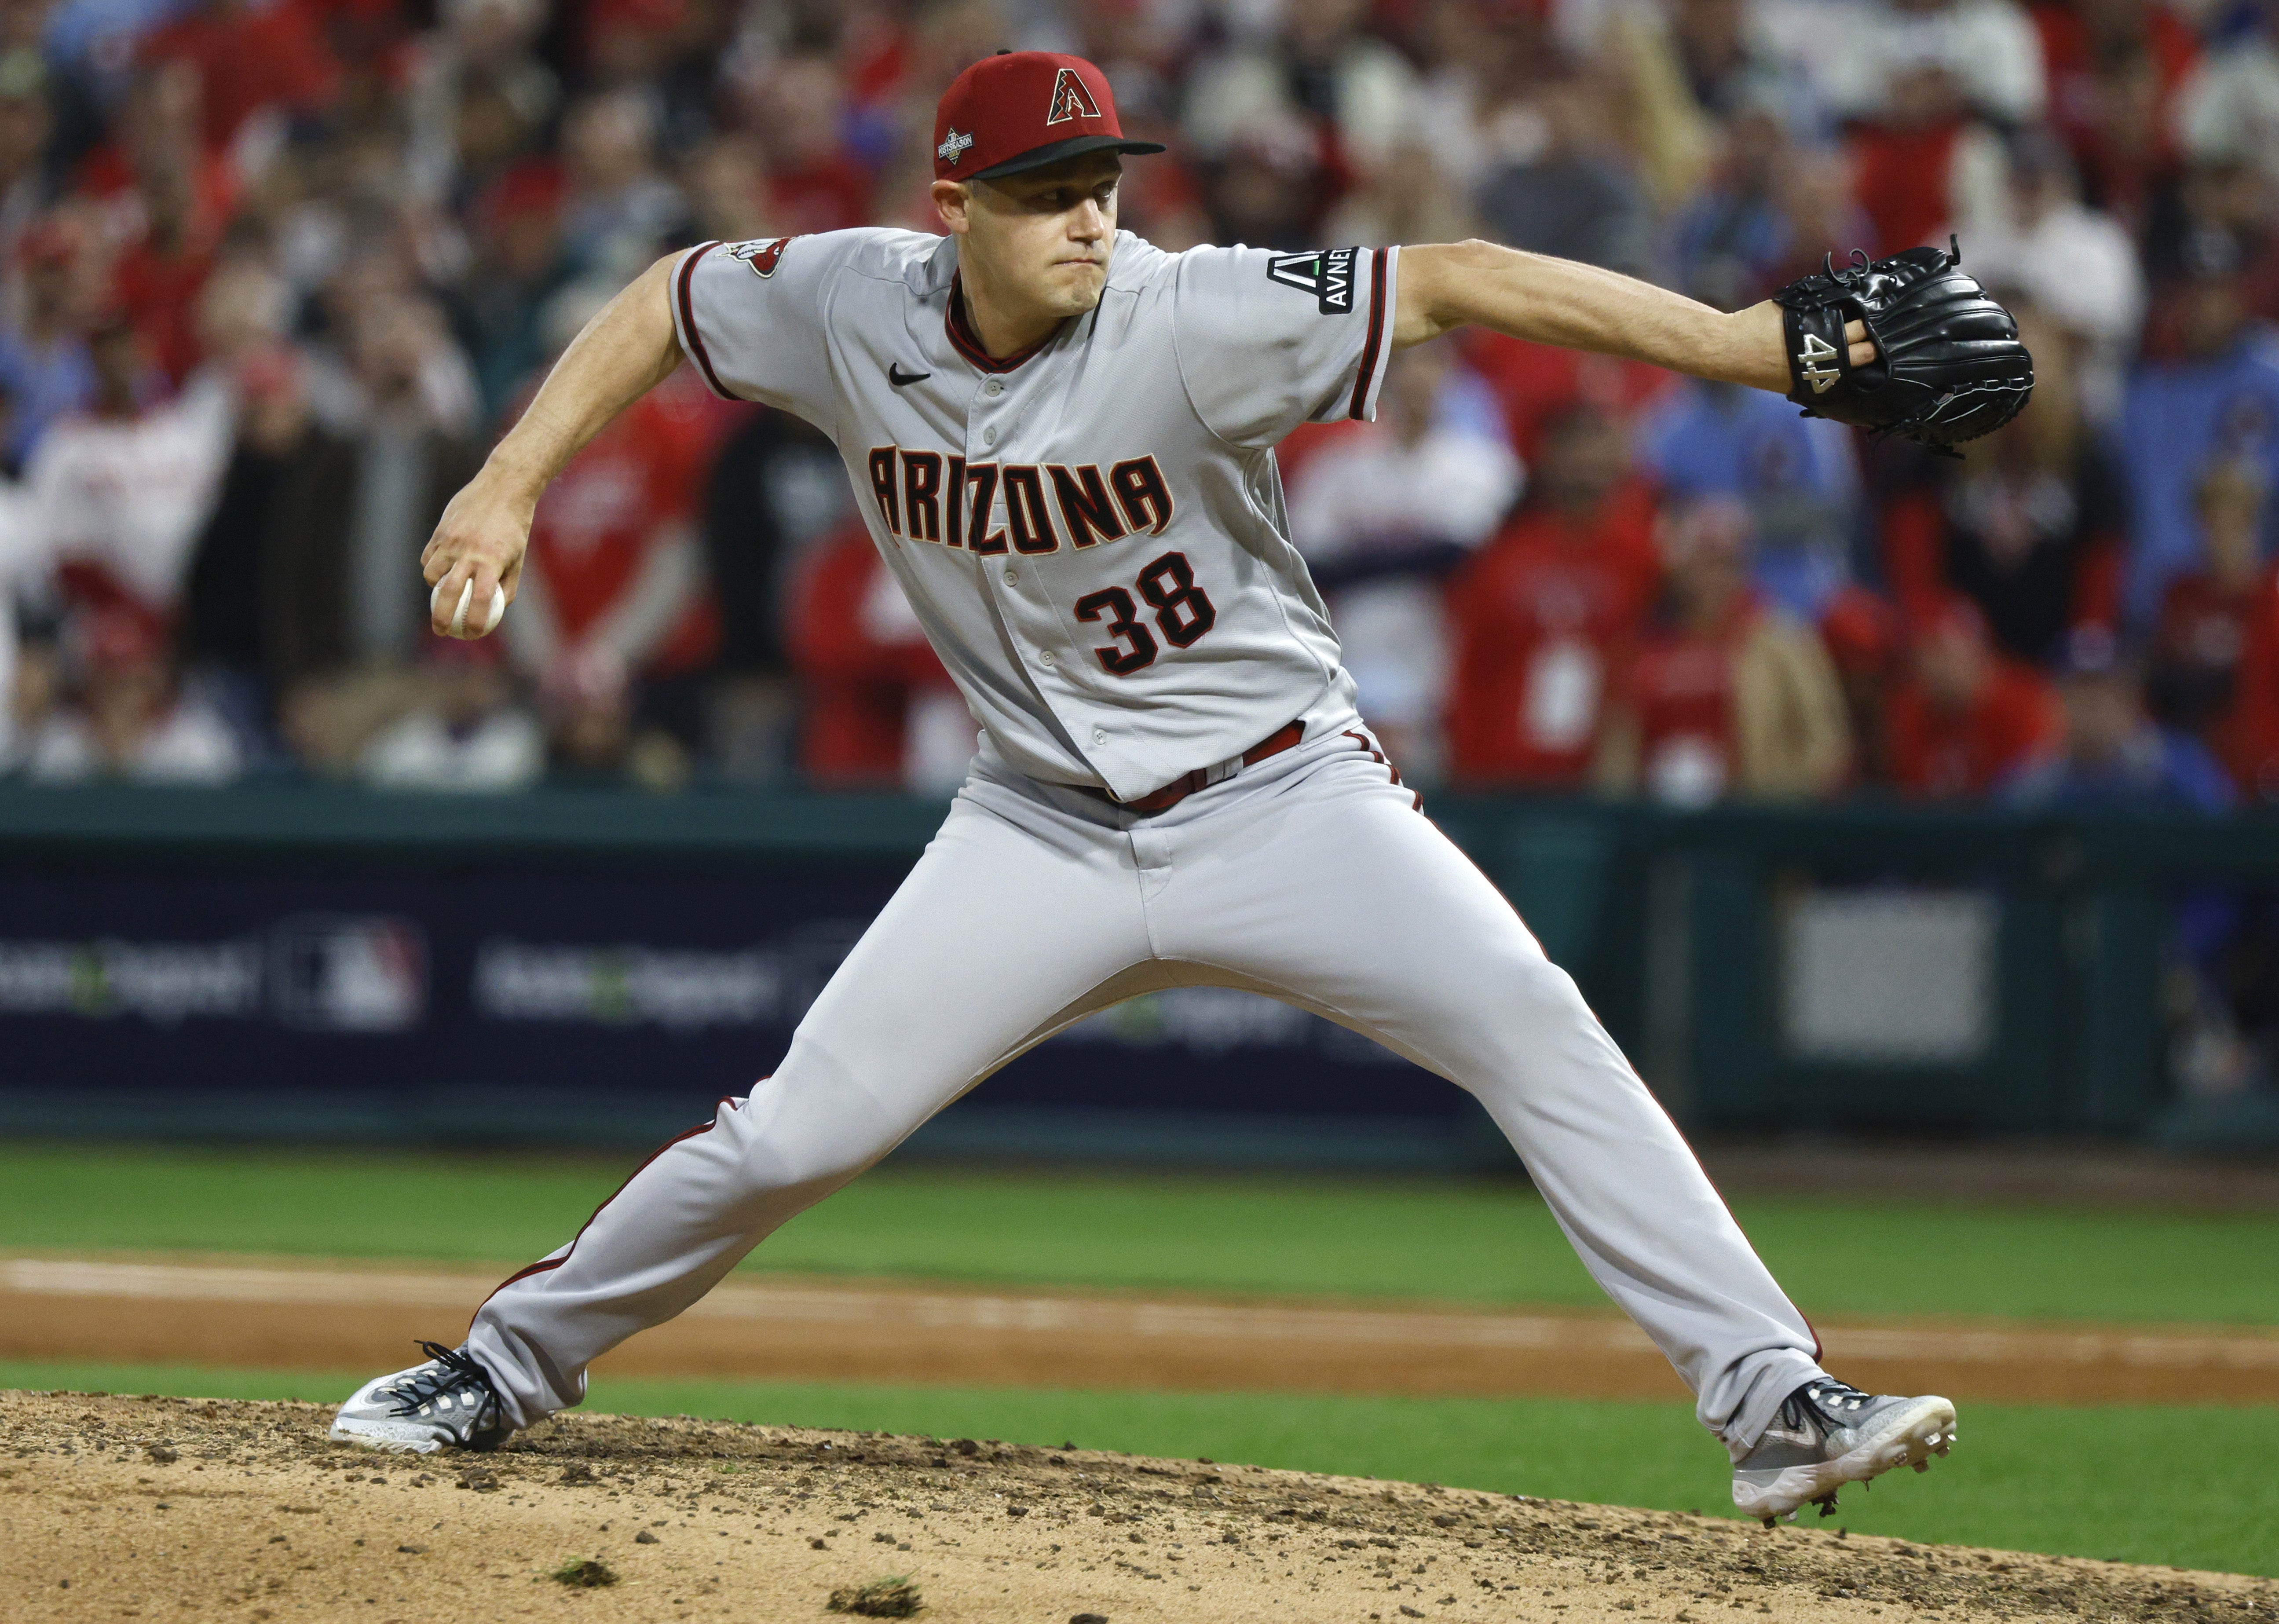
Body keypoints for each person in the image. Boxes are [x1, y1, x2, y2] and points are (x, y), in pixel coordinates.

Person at [328, 51, 1960, 1527]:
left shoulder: (1197, 311)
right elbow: (670, 299)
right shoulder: (849, 301)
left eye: (1102, 185)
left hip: (1283, 799)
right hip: (1034, 822)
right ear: (953, 206)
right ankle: (502, 1364)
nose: (1088, 220)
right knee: (790, 1138)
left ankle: (1771, 1398)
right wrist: (505, 478)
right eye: (1045, 195)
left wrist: (1746, 345)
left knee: (1532, 1018)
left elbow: (1462, 277)